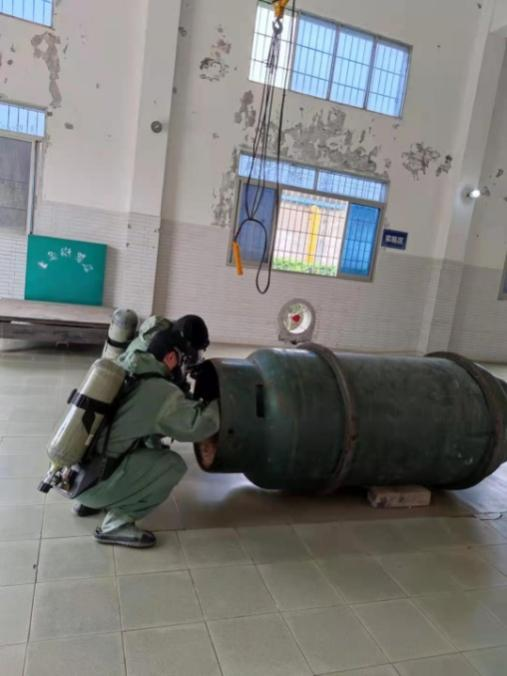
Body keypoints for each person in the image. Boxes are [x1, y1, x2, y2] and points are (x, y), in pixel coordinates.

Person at [74, 326, 219, 548]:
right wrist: (219, 402)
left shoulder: (126, 365)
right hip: (95, 485)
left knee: (144, 445)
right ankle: (115, 525)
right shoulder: (160, 390)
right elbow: (199, 426)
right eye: (180, 361)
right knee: (172, 465)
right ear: (171, 357)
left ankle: (93, 501)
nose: (180, 369)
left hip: (75, 475)